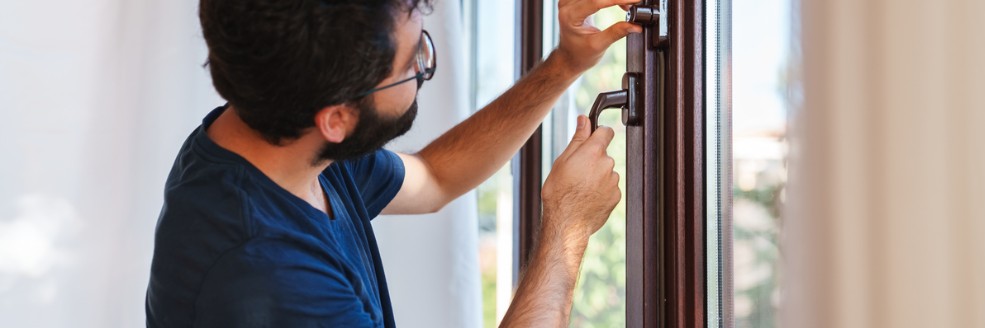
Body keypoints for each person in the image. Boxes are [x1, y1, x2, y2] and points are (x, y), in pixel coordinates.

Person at [145, 0, 643, 326]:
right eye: (413, 63)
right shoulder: (270, 275)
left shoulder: (281, 138)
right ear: (336, 117)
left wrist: (566, 64)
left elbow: (434, 177)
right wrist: (567, 226)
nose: (424, 67)